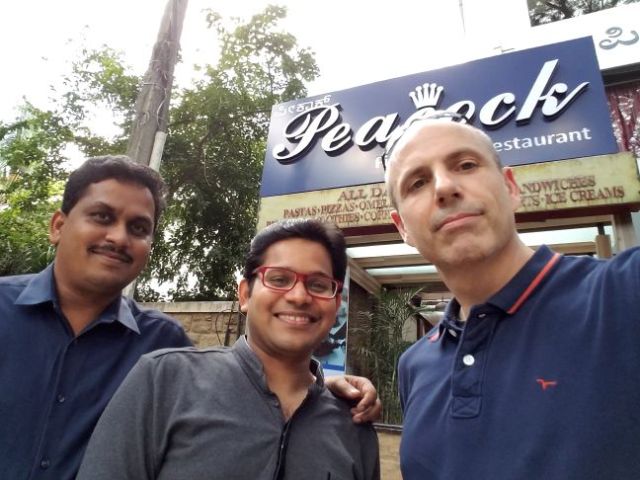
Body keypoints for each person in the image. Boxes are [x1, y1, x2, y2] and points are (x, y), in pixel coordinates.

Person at [0, 156, 379, 480]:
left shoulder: (161, 341)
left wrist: (318, 389)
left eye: (138, 228)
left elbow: (240, 381)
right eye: (102, 216)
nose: (118, 238)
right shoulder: (163, 374)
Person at [383, 113, 640, 480]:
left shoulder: (622, 293)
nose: (444, 187)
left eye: (466, 165)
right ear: (402, 228)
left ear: (510, 187)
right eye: (417, 182)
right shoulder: (414, 365)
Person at [77, 219, 380, 480]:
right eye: (279, 279)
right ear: (245, 294)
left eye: (318, 284)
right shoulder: (164, 381)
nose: (299, 296)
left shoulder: (354, 424)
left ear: (335, 304)